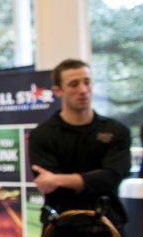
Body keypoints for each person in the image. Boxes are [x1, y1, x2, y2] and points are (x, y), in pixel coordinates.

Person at [30, 58, 131, 228]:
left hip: (107, 223)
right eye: (74, 84)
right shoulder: (42, 134)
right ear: (58, 91)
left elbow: (112, 177)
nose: (83, 90)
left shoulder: (116, 131)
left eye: (87, 82)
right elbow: (48, 183)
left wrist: (59, 179)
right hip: (60, 225)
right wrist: (92, 179)